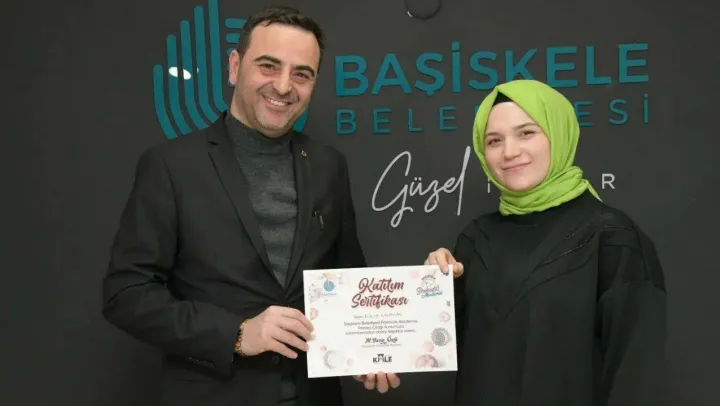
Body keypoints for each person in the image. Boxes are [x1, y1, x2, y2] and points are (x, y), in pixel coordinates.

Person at [102, 6, 365, 406]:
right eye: (268, 66)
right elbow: (126, 294)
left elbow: (351, 282)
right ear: (234, 66)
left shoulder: (329, 166)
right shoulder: (171, 166)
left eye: (302, 74)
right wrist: (238, 333)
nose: (283, 85)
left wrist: (369, 347)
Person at [359, 79, 668, 405]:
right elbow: (433, 343)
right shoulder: (476, 240)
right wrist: (423, 297)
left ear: (558, 134)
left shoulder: (613, 239)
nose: (509, 152)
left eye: (526, 133)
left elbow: (635, 378)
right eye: (494, 140)